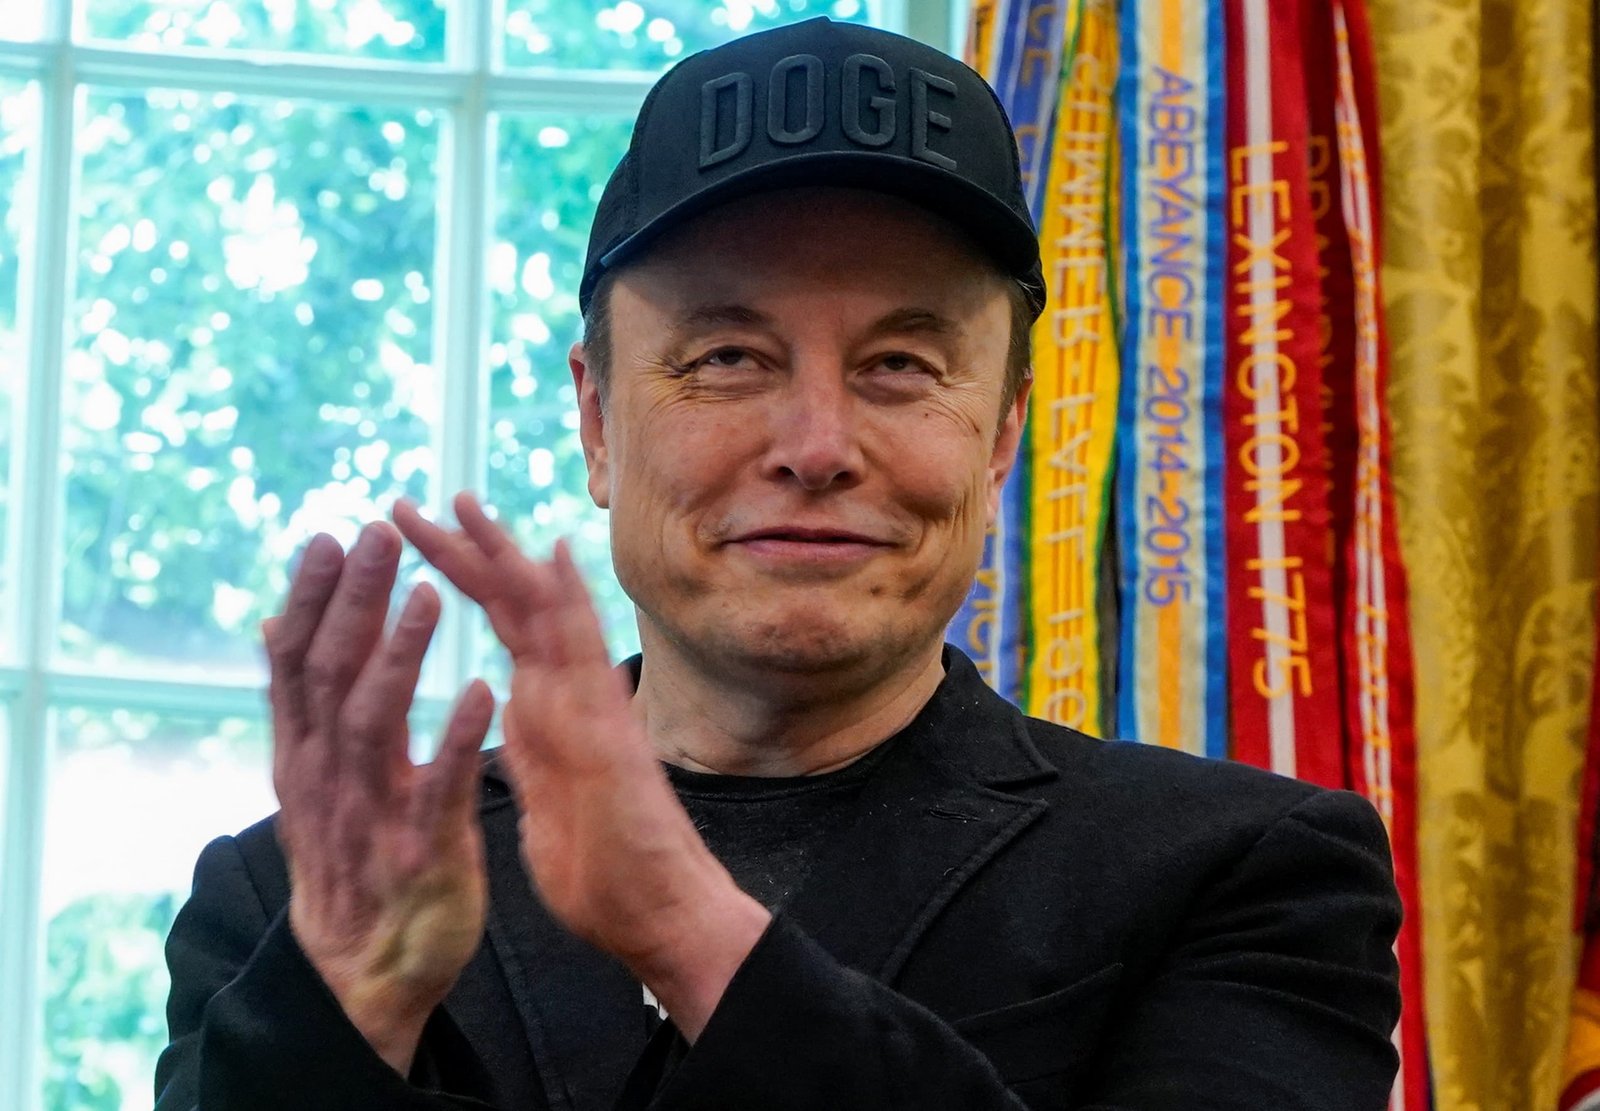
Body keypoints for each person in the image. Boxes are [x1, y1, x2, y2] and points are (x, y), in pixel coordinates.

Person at [154, 16, 1402, 1111]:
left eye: (900, 366)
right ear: (597, 421)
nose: (816, 446)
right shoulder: (293, 899)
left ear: (1004, 428)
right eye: (727, 358)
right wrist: (347, 1016)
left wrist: (688, 932)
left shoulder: (1249, 876)